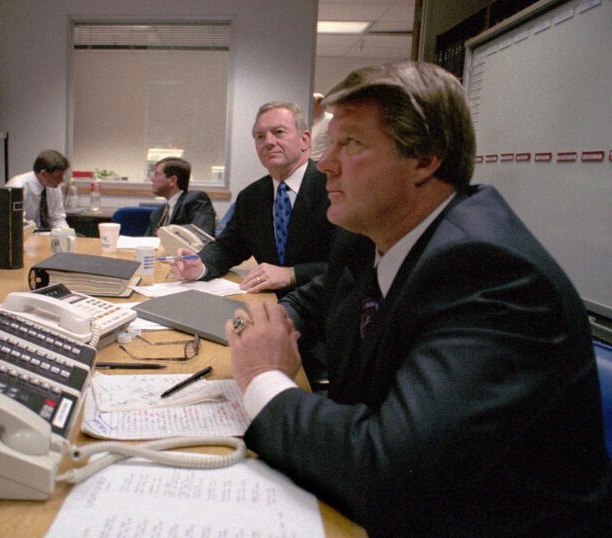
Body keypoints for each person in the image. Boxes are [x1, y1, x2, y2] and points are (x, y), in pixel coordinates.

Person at [227, 61, 612, 536]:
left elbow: (387, 475)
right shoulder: (367, 234)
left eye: (352, 144)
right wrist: (267, 326)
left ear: (425, 159)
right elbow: (316, 299)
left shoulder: (489, 273)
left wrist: (264, 379)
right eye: (331, 144)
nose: (326, 163)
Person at [169, 101, 339, 296]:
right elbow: (227, 248)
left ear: (305, 140)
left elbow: (352, 262)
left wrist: (292, 274)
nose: (268, 142)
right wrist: (199, 265)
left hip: (326, 308)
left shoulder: (336, 188)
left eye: (279, 132)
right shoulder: (251, 197)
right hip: (267, 303)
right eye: (260, 136)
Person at [144, 156, 216, 237]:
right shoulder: (158, 213)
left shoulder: (196, 201)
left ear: (172, 180)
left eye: (157, 174)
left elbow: (201, 238)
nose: (152, 179)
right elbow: (147, 242)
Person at [6, 149, 70, 229]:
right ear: (43, 174)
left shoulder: (54, 186)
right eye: (58, 176)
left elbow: (57, 218)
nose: (62, 180)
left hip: (46, 236)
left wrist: (65, 234)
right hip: (25, 236)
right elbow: (14, 223)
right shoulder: (18, 187)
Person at [309, 92, 333, 161]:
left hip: (322, 161)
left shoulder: (330, 120)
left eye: (313, 104)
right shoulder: (308, 120)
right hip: (309, 161)